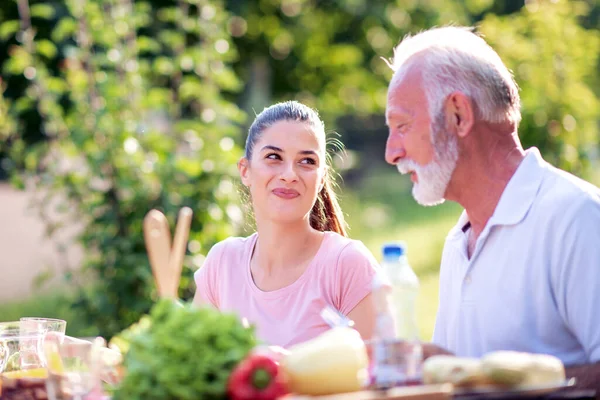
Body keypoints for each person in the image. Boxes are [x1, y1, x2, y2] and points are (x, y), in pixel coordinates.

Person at [383, 26, 600, 389]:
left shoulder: (577, 219)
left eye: (402, 126)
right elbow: (465, 379)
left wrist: (490, 384)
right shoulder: (459, 241)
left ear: (458, 115)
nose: (392, 153)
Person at [194, 101, 386, 348]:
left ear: (321, 178)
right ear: (245, 171)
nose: (289, 174)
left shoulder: (347, 264)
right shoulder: (221, 264)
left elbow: (380, 374)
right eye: (274, 157)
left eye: (306, 161)